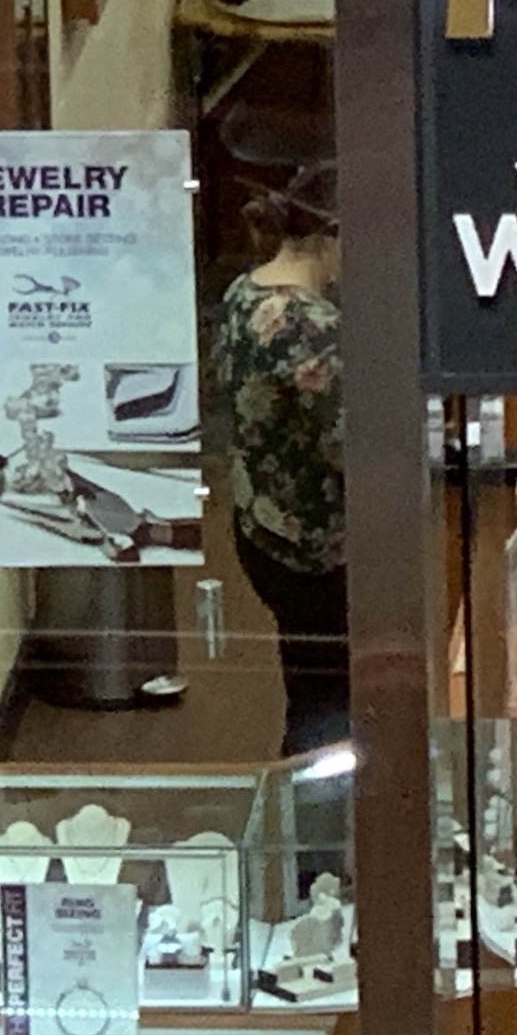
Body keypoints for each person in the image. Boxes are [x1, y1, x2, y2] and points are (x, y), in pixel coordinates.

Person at [210, 157, 348, 756]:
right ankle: (324, 836)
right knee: (331, 704)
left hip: (259, 526)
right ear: (334, 235)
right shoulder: (311, 326)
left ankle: (310, 827)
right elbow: (351, 446)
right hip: (316, 545)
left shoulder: (245, 291)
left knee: (307, 685)